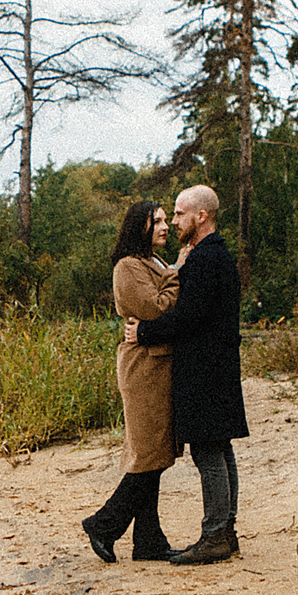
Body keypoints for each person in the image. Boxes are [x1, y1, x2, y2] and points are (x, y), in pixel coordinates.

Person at [124, 184, 248, 564]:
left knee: (209, 452)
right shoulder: (212, 256)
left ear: (201, 216)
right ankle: (225, 531)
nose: (174, 221)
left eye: (179, 214)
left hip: (205, 370)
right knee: (220, 450)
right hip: (217, 366)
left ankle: (215, 536)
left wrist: (143, 332)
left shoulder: (207, 260)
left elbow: (188, 316)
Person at [79, 200, 178, 563]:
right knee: (149, 453)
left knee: (156, 453)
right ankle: (104, 524)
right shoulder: (128, 267)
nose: (166, 226)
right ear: (141, 227)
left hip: (159, 365)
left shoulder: (157, 262)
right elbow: (156, 308)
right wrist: (177, 275)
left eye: (167, 220)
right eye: (158, 221)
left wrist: (171, 272)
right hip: (142, 370)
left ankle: (148, 540)